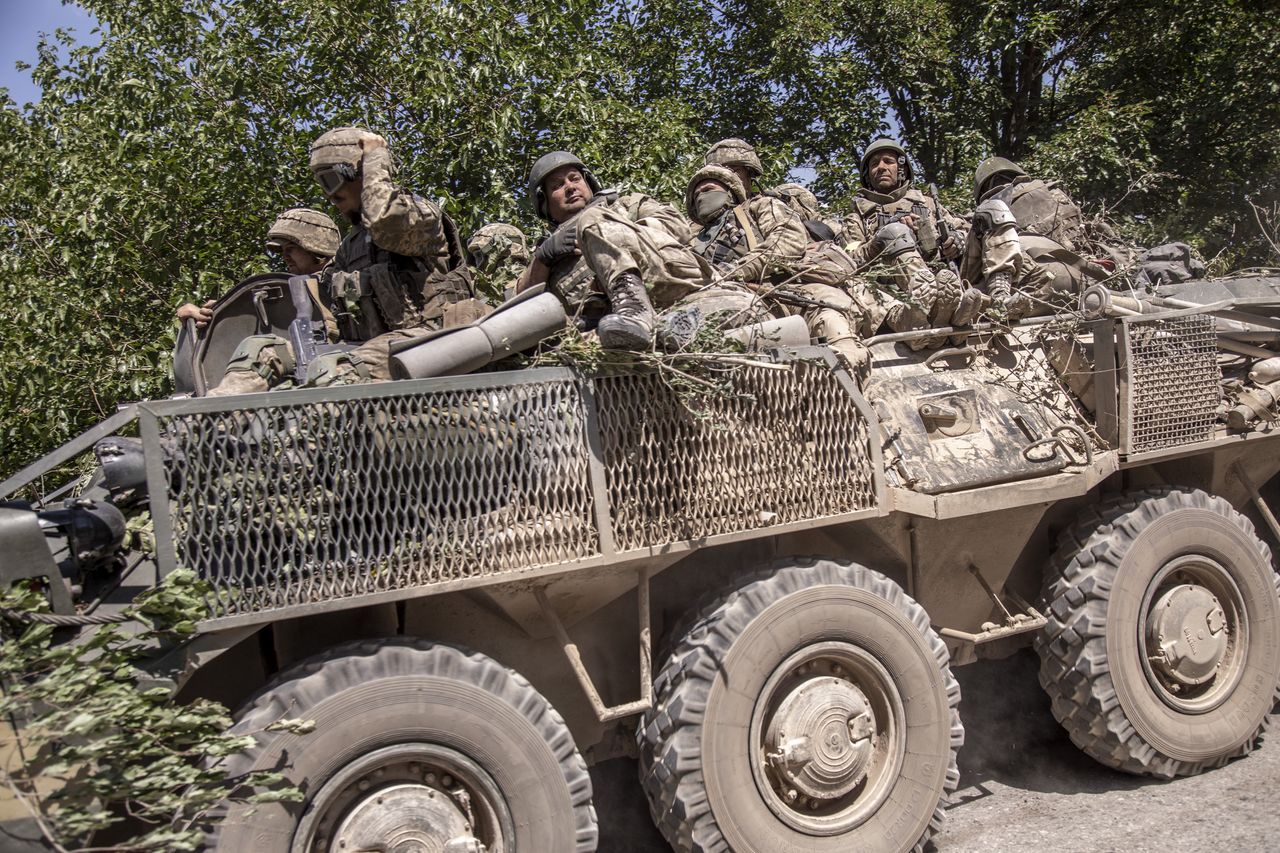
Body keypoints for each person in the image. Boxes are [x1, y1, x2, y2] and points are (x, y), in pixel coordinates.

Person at [211, 127, 476, 395]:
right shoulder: (352, 245)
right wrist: (220, 311)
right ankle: (209, 429)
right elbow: (320, 287)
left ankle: (307, 436)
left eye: (332, 179)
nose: (329, 194)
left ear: (361, 172)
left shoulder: (419, 215)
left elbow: (384, 220)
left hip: (431, 341)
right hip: (367, 348)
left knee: (335, 371)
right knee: (259, 352)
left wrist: (375, 160)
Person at [518, 150, 708, 351]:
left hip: (667, 282)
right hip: (613, 329)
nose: (570, 187)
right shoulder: (547, 254)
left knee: (590, 218)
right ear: (544, 201)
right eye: (557, 186)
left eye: (574, 178)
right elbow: (521, 306)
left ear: (588, 182)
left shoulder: (626, 205)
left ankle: (634, 309)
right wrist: (543, 258)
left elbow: (678, 227)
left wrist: (613, 238)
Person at [684, 164, 871, 368]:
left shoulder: (758, 207)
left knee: (831, 322)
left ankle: (849, 383)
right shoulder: (691, 237)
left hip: (779, 289)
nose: (702, 196)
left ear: (730, 191)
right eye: (697, 194)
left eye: (709, 189)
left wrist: (737, 270)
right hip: (723, 302)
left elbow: (788, 240)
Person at [843, 138, 976, 334]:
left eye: (888, 161)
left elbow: (965, 230)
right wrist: (883, 238)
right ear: (867, 174)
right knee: (894, 234)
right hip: (890, 294)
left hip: (945, 279)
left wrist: (956, 240)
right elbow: (848, 258)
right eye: (874, 164)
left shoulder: (929, 205)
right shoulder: (857, 219)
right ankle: (937, 310)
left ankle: (947, 308)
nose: (881, 167)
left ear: (902, 168)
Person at [963, 157, 1101, 317]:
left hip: (1032, 282)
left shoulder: (988, 210)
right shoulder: (1055, 194)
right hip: (1081, 281)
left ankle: (999, 298)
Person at [176, 208, 340, 328]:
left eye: (291, 249)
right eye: (282, 251)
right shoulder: (291, 291)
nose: (285, 257)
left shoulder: (340, 283)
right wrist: (218, 311)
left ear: (316, 248)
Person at [467, 223, 531, 303]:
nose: (478, 263)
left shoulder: (529, 281)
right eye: (477, 256)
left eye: (480, 256)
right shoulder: (477, 286)